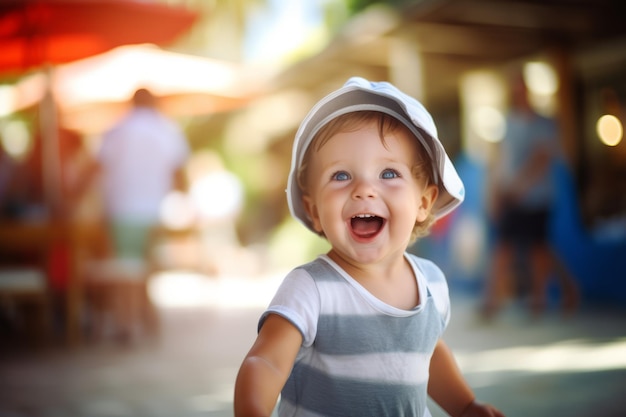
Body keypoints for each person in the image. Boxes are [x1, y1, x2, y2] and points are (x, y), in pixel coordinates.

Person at [234, 77, 504, 417]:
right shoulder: (312, 288)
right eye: (341, 176)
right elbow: (267, 360)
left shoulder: (432, 284)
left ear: (424, 201)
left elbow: (427, 354)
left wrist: (465, 406)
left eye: (388, 173)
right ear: (315, 209)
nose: (364, 189)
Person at [86, 87, 190, 342]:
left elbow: (96, 166)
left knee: (126, 271)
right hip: (154, 210)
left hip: (122, 208)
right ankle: (143, 320)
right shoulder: (167, 129)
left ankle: (128, 323)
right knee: (142, 270)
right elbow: (180, 173)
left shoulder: (118, 129)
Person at [481, 71, 579, 320]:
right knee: (507, 246)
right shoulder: (509, 123)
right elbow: (500, 161)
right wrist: (496, 191)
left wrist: (520, 186)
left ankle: (542, 298)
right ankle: (493, 301)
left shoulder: (544, 123)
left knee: (538, 249)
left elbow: (542, 160)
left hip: (537, 197)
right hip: (512, 196)